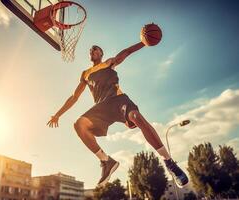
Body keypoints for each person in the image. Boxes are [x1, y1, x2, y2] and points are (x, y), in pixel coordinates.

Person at [46, 42, 189, 187]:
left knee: (136, 117)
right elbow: (74, 96)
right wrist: (58, 114)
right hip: (101, 107)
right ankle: (106, 161)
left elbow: (126, 51)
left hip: (118, 100)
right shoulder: (85, 74)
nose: (92, 50)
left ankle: (169, 162)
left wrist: (144, 42)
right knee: (79, 125)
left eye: (96, 49)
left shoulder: (109, 63)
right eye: (91, 49)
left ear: (101, 54)